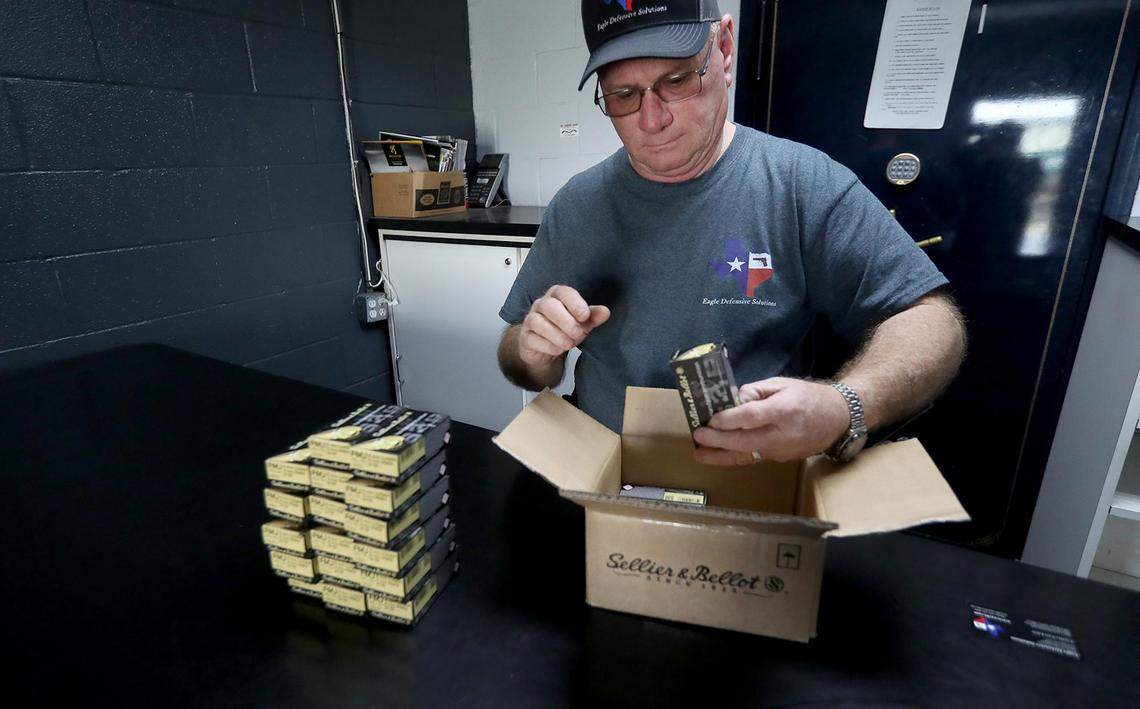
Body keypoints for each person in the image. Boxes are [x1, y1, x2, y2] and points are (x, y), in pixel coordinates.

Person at [496, 0, 966, 465]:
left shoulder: (802, 184)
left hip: (753, 475)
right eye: (623, 95)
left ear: (723, 49)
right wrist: (533, 350)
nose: (652, 120)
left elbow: (933, 321)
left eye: (677, 80)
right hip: (603, 469)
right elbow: (518, 361)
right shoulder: (578, 204)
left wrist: (844, 405)